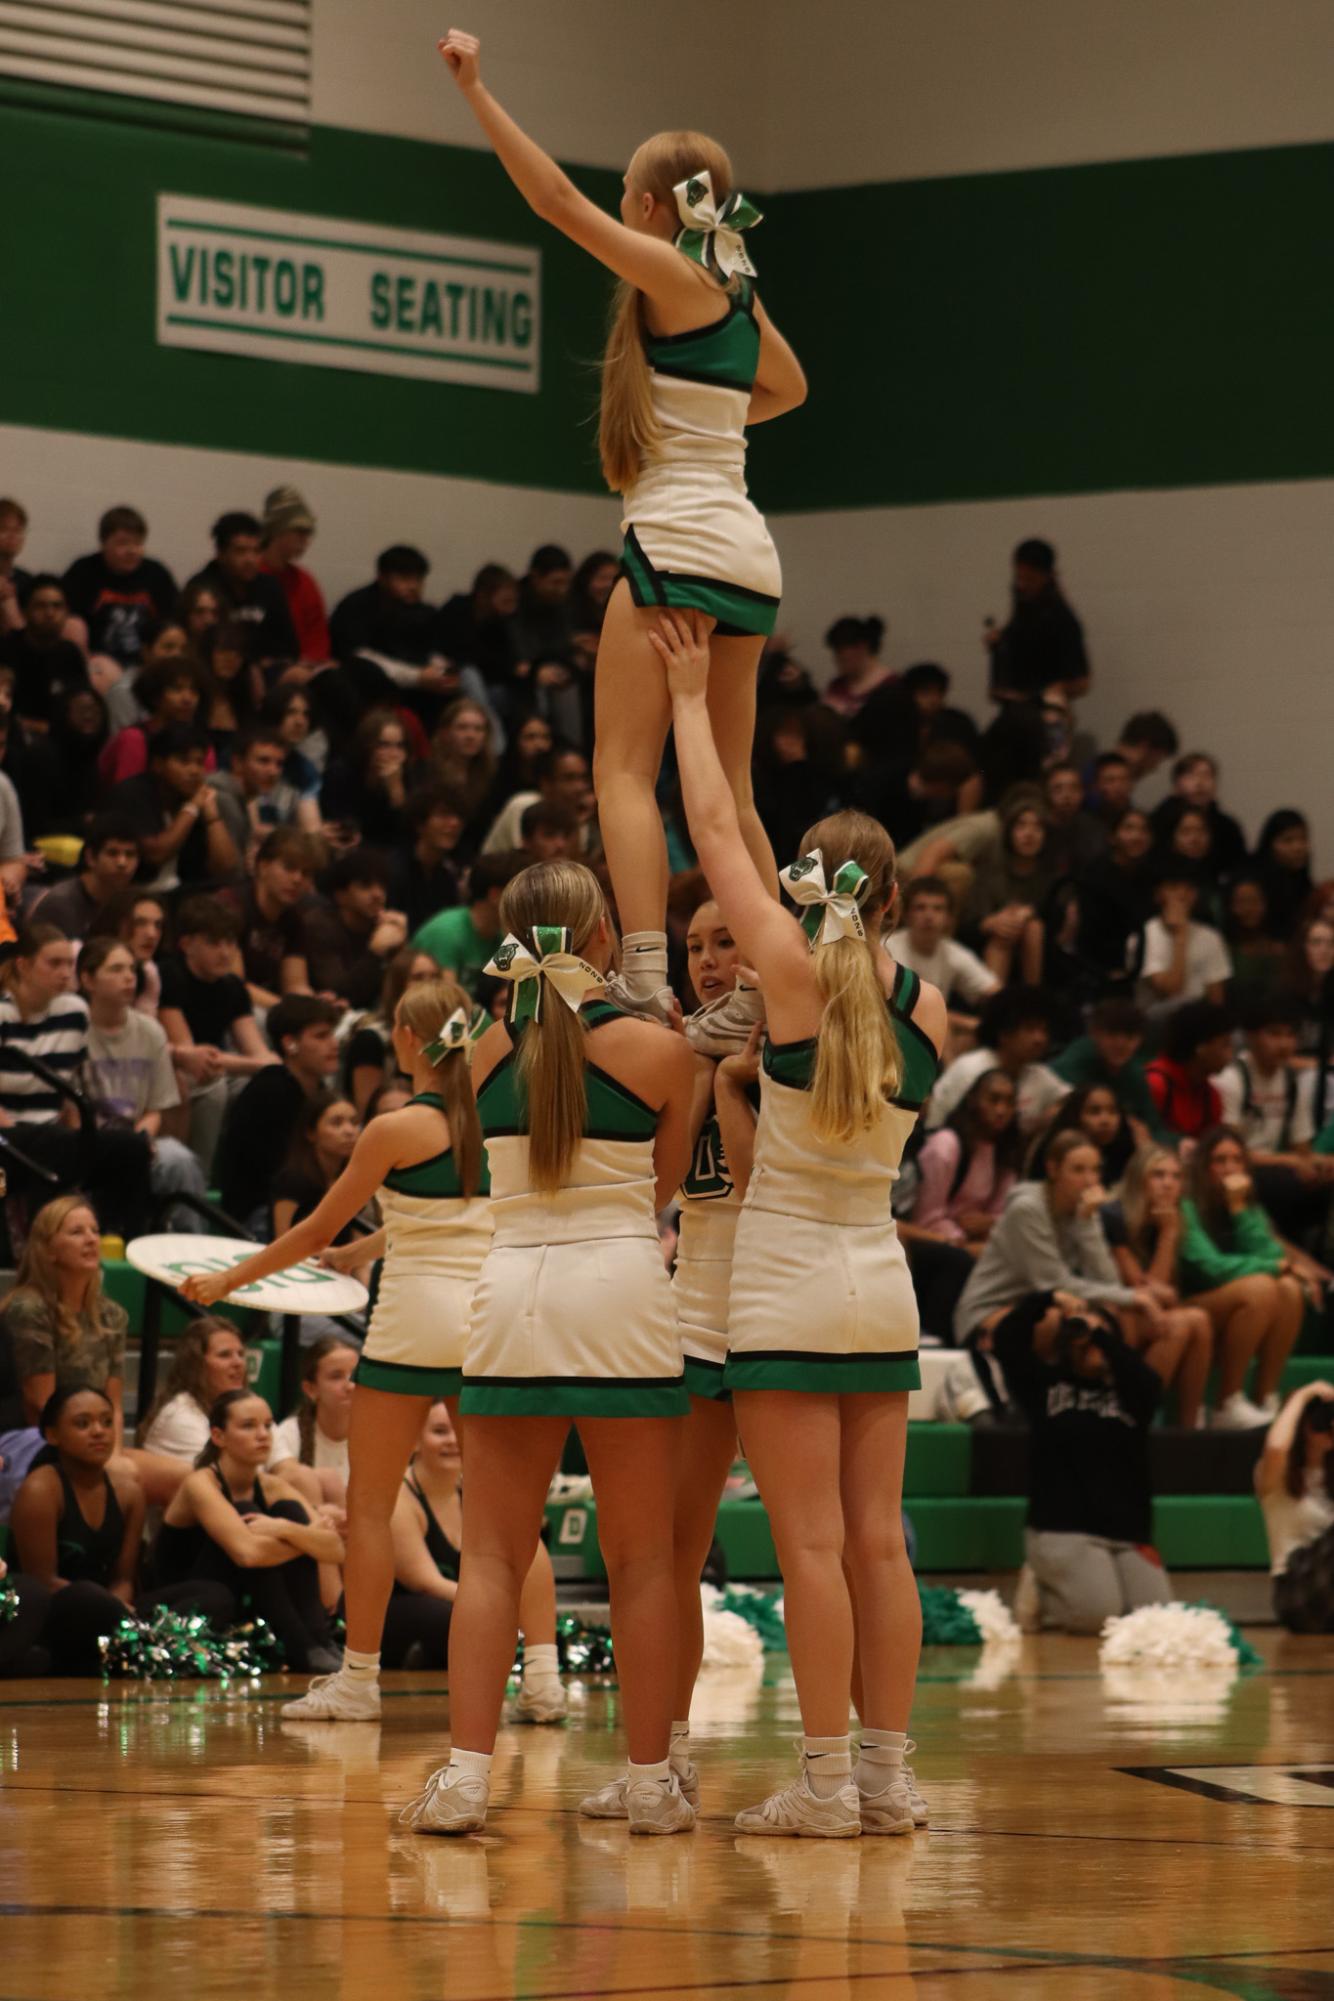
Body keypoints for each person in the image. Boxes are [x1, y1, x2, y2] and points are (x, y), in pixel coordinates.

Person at [439, 30, 804, 1030]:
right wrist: (702, 421)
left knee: (621, 773)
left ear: (647, 206)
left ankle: (643, 970)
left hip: (677, 543)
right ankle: (785, 963)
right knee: (728, 784)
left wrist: (475, 89)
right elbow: (789, 387)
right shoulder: (734, 287)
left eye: (629, 203)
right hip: (746, 551)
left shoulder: (675, 278)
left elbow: (554, 201)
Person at [657, 604, 945, 1837]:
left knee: (812, 1548)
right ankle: (886, 1776)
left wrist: (691, 695)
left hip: (778, 1274)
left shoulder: (779, 969)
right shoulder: (929, 999)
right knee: (883, 1544)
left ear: (800, 884)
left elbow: (717, 825)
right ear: (889, 893)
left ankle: (822, 1782)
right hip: (878, 1274)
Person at [401, 851, 694, 1836]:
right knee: (643, 1560)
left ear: (504, 936)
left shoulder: (471, 1050)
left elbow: (483, 1183)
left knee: (488, 1557)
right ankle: (651, 1784)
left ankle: (465, 1781)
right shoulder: (663, 1051)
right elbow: (663, 1191)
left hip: (514, 1292)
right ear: (603, 933)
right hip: (620, 1291)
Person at [183, 972, 563, 1726]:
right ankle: (545, 1679)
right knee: (508, 1511)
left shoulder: (392, 1128)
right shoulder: (498, 1119)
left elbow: (316, 1228)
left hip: (413, 1323)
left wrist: (233, 1275)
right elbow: (451, 1214)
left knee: (368, 1503)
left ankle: (359, 1681)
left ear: (405, 1041)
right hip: (488, 1321)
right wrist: (371, 1251)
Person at [580, 894, 760, 1825]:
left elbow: (766, 1173)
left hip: (779, 1309)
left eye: (727, 940)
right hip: (691, 1315)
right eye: (695, 945)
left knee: (835, 1549)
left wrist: (724, 1076)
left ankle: (855, 1766)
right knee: (669, 1554)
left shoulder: (783, 1043)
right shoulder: (670, 1049)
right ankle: (671, 1751)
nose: (708, 959)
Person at [954, 1132, 1207, 1420]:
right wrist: (1136, 1297)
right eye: (1078, 1170)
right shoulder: (1027, 1210)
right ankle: (1044, 1413)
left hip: (1050, 1304)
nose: (1089, 1181)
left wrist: (1087, 1223)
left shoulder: (1082, 1209)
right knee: (1064, 1319)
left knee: (1180, 1322)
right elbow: (1051, 1284)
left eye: (1095, 1170)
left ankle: (1147, 1420)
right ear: (1053, 1169)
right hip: (988, 1315)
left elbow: (1106, 1281)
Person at [10, 1387, 232, 1674]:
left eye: (106, 1422)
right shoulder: (41, 1489)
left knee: (215, 1594)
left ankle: (139, 1643)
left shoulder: (129, 1492)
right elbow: (41, 1581)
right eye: (82, 1423)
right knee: (86, 1596)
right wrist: (111, 1606)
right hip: (61, 1612)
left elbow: (125, 1577)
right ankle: (147, 1645)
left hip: (115, 1611)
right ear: (53, 1435)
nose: (98, 1431)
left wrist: (118, 1605)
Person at [994, 1294, 1171, 1634]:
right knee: (1099, 1619)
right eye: (1082, 1338)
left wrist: (1100, 1335)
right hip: (1063, 1528)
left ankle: (1072, 1586)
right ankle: (1042, 1586)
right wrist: (1047, 1299)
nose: (1090, 1344)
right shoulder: (1043, 1386)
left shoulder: (1134, 1395)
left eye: (1101, 1337)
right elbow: (1006, 1339)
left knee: (1158, 1621)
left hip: (1127, 1532)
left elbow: (1151, 1383)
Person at [4, 1195, 184, 1504]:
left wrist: (111, 1454)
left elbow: (112, 1402)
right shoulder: (29, 1308)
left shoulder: (110, 1315)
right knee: (127, 1482)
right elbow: (40, 1404)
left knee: (192, 1482)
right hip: (40, 1443)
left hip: (94, 1442)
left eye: (95, 1230)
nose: (91, 1239)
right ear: (48, 1250)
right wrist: (100, 1460)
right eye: (76, 1232)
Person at [155, 1389, 343, 1672]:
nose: (263, 1434)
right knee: (248, 1516)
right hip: (184, 1600)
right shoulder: (201, 1483)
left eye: (268, 1425)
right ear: (218, 1436)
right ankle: (302, 1646)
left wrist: (287, 1529)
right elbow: (248, 1554)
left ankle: (318, 1640)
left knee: (289, 1516)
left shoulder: (271, 1484)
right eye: (248, 1426)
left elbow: (335, 1548)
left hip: (239, 1590)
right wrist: (302, 1536)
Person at [0, 924, 153, 1238]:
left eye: (68, 964)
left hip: (54, 1133)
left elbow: (70, 1090)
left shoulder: (75, 1012)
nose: (64, 973)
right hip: (8, 1137)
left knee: (132, 1148)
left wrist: (80, 1131)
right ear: (23, 965)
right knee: (46, 1154)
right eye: (53, 964)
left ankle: (120, 1243)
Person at [1106, 1146, 1272, 1430]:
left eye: (1175, 1176)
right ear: (1138, 1179)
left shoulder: (1173, 1217)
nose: (1168, 1183)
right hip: (1116, 1313)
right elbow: (1144, 1291)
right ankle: (1132, 1419)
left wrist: (1169, 1232)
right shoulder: (1114, 1214)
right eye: (1158, 1175)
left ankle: (1190, 1427)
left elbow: (1164, 1293)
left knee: (1198, 1322)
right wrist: (1169, 1235)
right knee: (1183, 1323)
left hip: (1146, 1313)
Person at [1178, 1127, 1321, 1417]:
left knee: (1290, 1290)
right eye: (1220, 1160)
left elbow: (1271, 1253)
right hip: (1192, 1302)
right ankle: (1226, 1402)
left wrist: (1239, 1209)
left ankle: (1264, 1396)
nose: (1230, 1168)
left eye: (1237, 1160)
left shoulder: (1246, 1205)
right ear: (1204, 1167)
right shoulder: (1186, 1205)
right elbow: (1210, 1269)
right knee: (1262, 1286)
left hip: (1243, 1305)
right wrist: (1272, 1267)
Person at [80, 935, 209, 1226]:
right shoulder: (75, 1030)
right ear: (88, 980)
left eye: (131, 970)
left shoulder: (150, 1031)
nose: (128, 978)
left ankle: (187, 1249)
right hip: (89, 1142)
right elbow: (70, 1113)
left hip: (140, 1138)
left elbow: (155, 1109)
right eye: (115, 970)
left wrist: (139, 1140)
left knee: (179, 1160)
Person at [158, 896, 277, 1173]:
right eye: (214, 943)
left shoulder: (232, 986)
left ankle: (252, 1177)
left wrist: (266, 1067)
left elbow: (255, 1049)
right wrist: (262, 1065)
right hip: (175, 1068)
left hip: (220, 1066)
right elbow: (193, 1056)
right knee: (213, 1086)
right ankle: (200, 1176)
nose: (225, 953)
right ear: (187, 944)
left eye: (230, 943)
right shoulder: (170, 975)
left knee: (268, 1086)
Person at [903, 1070, 1022, 1344]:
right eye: (993, 1100)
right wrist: (962, 1241)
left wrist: (989, 1226)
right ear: (973, 1101)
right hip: (927, 1236)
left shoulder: (1004, 1150)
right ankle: (934, 1335)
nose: (1001, 1110)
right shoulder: (946, 1146)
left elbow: (1000, 1214)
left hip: (968, 1238)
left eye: (1008, 1102)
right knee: (959, 1261)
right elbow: (927, 1216)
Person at [211, 994, 340, 1223]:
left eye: (332, 1034)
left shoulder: (321, 1091)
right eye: (321, 1036)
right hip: (258, 1214)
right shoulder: (269, 1090)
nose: (334, 1044)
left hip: (304, 1205)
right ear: (290, 1043)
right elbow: (274, 1177)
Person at [1215, 997, 1334, 1243]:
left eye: (1291, 1035)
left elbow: (1302, 1148)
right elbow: (1230, 1151)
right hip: (1240, 1169)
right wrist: (1291, 1161)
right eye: (1274, 1034)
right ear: (1250, 1036)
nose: (1284, 1044)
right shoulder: (1232, 1079)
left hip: (1280, 1167)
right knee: (1285, 1184)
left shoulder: (1291, 1079)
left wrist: (1318, 1164)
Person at [109, 723, 241, 892]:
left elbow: (226, 868)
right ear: (158, 764)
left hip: (180, 896)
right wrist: (192, 808)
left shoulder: (195, 798)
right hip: (130, 896)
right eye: (184, 761)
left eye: (199, 762)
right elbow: (156, 854)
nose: (194, 771)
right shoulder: (131, 794)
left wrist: (211, 814)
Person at [925, 986, 1067, 1137]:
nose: (1040, 1039)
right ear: (1004, 1033)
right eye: (1030, 1029)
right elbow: (941, 1128)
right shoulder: (972, 1069)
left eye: (1044, 1031)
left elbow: (1074, 1101)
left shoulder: (1039, 1074)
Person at [1255, 1382, 1334, 1632]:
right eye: (1320, 1421)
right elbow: (1277, 1447)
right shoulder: (1274, 1479)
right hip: (1297, 1592)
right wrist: (1302, 1396)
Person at [61, 506, 178, 669]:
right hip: (98, 663)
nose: (132, 551)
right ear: (104, 543)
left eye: (138, 543)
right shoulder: (83, 572)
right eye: (123, 543)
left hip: (148, 665)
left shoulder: (156, 574)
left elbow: (171, 621)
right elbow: (70, 621)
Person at [219, 825, 320, 1008]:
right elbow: (234, 986)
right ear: (263, 866)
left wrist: (315, 1006)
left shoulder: (293, 919)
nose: (297, 879)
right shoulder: (231, 906)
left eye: (306, 873)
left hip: (268, 1006)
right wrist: (288, 1010)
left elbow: (296, 985)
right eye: (289, 868)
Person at [886, 877, 998, 1041]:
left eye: (938, 909)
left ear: (949, 918)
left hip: (936, 1031)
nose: (929, 916)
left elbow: (995, 994)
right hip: (892, 1029)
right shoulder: (887, 948)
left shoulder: (953, 952)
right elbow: (906, 1011)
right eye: (920, 908)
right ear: (906, 915)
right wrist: (967, 1022)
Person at [186, 511, 298, 669]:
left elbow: (289, 647)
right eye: (241, 551)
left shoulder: (269, 586)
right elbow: (198, 644)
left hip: (266, 669)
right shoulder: (202, 588)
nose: (250, 560)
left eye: (256, 551)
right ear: (221, 554)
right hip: (216, 670)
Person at [301, 849, 407, 1011]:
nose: (378, 894)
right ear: (341, 895)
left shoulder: (383, 925)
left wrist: (402, 947)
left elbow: (404, 991)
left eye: (382, 886)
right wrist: (375, 953)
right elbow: (338, 995)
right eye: (366, 886)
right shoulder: (319, 926)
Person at [985, 538, 1089, 703]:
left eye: (1029, 579)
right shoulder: (1023, 607)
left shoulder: (1063, 621)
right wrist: (1001, 641)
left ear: (1046, 577)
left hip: (1045, 710)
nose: (1022, 585)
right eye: (1019, 578)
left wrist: (1054, 690)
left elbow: (1082, 682)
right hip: (1017, 706)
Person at [137, 1316, 249, 1462]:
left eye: (241, 1354)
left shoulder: (249, 1407)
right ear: (197, 1365)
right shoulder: (181, 1416)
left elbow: (284, 1465)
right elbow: (226, 1478)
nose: (238, 1362)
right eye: (224, 1355)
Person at [342, 947, 441, 1109]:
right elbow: (366, 1110)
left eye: (434, 977)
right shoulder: (371, 1038)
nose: (429, 985)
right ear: (398, 986)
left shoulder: (445, 1034)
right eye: (418, 977)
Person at [1051, 999, 1165, 1140]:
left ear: (1140, 1039)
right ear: (1094, 1033)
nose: (1120, 1044)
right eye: (1112, 1034)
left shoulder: (1135, 1073)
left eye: (1130, 1037)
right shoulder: (1071, 1064)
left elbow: (1154, 1126)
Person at [268, 1333, 358, 1505]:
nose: (350, 1386)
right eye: (336, 1376)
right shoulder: (289, 1433)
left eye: (354, 1376)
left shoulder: (378, 1434)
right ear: (310, 1389)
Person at [412, 851, 518, 994]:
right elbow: (448, 1005)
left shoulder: (502, 935)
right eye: (521, 893)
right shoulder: (447, 931)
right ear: (495, 895)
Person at [269, 1093, 368, 1242]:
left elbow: (357, 1242)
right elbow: (280, 1240)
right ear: (311, 1133)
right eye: (336, 1123)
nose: (349, 1131)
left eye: (354, 1122)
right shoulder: (292, 1179)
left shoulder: (355, 1181)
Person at [1136, 866, 1231, 1019]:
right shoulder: (1144, 935)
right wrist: (1180, 936)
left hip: (1200, 1019)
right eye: (1173, 888)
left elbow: (1216, 998)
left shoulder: (1210, 937)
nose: (1182, 894)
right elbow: (1170, 991)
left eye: (1189, 889)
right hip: (1156, 1019)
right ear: (1158, 895)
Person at [319, 707, 422, 850]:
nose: (393, 754)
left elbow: (407, 835)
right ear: (367, 745)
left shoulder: (408, 778)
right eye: (384, 745)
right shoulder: (341, 773)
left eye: (399, 746)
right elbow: (337, 820)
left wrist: (396, 791)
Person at [0, 574, 89, 731]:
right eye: (41, 606)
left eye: (57, 606)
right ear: (24, 611)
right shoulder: (5, 650)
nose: (50, 613)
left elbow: (82, 704)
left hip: (62, 740)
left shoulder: (70, 653)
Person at [33, 814, 141, 940]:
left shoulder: (135, 903)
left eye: (130, 854)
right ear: (90, 857)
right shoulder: (61, 903)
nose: (122, 863)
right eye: (112, 853)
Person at [259, 485, 331, 666]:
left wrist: (309, 662)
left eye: (308, 534)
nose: (305, 541)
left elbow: (318, 637)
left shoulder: (304, 582)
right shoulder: (252, 577)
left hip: (301, 666)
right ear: (278, 531)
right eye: (300, 532)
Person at [1144, 1001, 1234, 1142]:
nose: (1231, 1054)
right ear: (1201, 1048)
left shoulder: (1210, 1095)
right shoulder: (1156, 1085)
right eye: (1225, 1044)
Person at [1150, 753, 1247, 879]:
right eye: (1191, 775)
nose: (1200, 783)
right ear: (1176, 785)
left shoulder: (1227, 828)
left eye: (1207, 775)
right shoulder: (1158, 822)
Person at [388, 783, 467, 934]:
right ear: (419, 824)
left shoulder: (448, 875)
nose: (455, 823)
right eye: (444, 815)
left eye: (459, 817)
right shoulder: (394, 870)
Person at [1028, 1083, 1136, 1189]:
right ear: (1075, 1116)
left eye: (1112, 1111)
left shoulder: (1124, 1152)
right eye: (1094, 1111)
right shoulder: (1053, 1149)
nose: (1106, 1120)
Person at [1254, 810, 1314, 939]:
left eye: (1303, 839)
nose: (1298, 847)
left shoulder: (1306, 886)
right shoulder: (1255, 886)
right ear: (1270, 844)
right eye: (1288, 840)